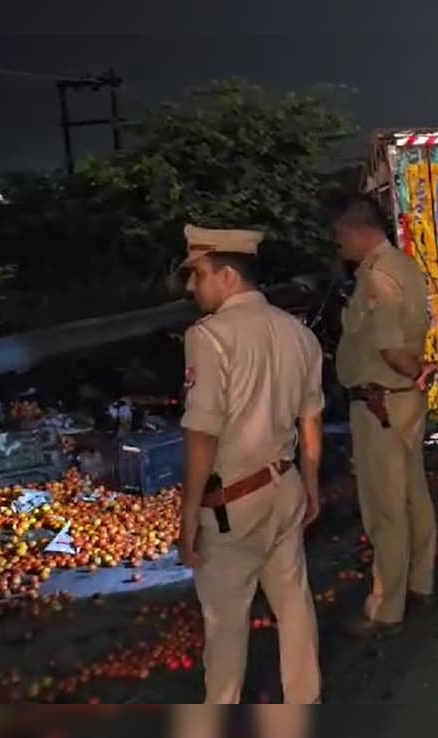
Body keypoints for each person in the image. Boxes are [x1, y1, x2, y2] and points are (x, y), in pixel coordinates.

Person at [177, 224, 322, 704]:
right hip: (285, 486)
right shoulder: (298, 334)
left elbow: (202, 434)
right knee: (294, 605)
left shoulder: (209, 337)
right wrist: (314, 488)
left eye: (197, 274)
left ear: (228, 276)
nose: (190, 286)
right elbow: (311, 421)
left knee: (225, 622)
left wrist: (188, 515)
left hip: (232, 503)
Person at [332, 197, 438, 638]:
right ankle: (420, 582)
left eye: (339, 237)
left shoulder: (376, 277)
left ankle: (386, 608)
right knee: (414, 496)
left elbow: (392, 350)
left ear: (359, 231)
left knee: (386, 509)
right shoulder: (404, 265)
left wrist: (418, 372)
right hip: (400, 404)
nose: (338, 246)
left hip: (381, 405)